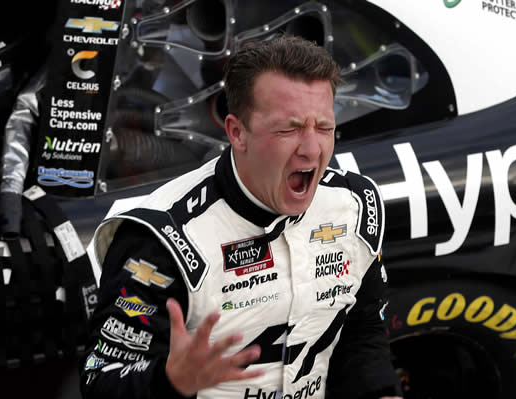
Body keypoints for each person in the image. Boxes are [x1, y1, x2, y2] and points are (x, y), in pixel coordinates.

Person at [80, 35, 403, 399]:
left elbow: (361, 333)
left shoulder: (354, 204)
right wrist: (169, 381)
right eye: (289, 129)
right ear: (237, 132)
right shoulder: (164, 239)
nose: (312, 149)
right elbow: (98, 380)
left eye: (325, 127)